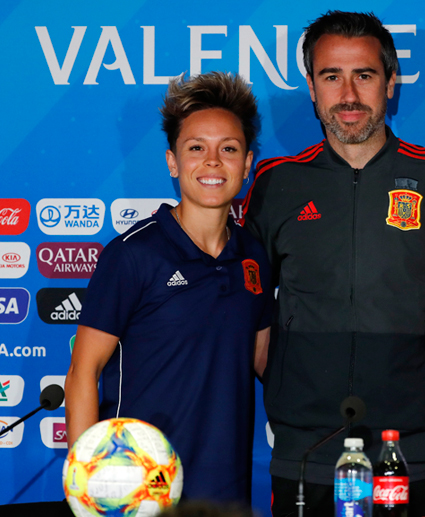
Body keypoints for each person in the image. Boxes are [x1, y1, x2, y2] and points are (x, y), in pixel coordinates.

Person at [242, 10, 425, 517]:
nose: (348, 94)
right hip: (305, 453)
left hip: (422, 452)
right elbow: (249, 308)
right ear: (311, 86)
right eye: (331, 76)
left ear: (391, 83)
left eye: (365, 75)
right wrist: (295, 380)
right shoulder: (274, 185)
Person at [65, 72, 273, 503]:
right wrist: (90, 487)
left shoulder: (254, 255)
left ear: (248, 163)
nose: (212, 162)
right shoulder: (132, 255)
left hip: (225, 494)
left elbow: (264, 359)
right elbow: (83, 374)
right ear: (173, 162)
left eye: (228, 149)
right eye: (196, 148)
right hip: (135, 490)